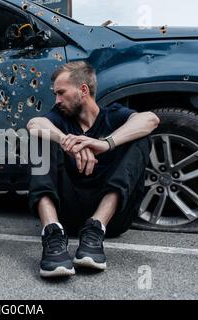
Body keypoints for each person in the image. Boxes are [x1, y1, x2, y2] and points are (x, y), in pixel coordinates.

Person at [27, 61, 160, 278]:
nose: (57, 100)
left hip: (111, 219)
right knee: (38, 138)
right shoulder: (59, 118)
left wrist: (106, 143)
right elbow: (34, 124)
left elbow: (150, 119)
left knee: (140, 137)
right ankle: (51, 233)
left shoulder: (112, 116)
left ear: (83, 90)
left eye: (61, 93)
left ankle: (95, 228)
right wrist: (67, 142)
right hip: (66, 213)